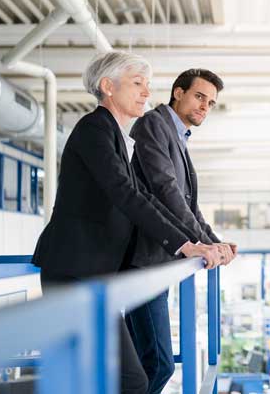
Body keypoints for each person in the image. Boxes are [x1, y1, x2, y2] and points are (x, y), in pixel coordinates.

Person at [32, 52, 223, 394]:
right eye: (137, 84)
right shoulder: (94, 128)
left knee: (116, 378)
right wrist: (184, 243)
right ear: (108, 86)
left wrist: (191, 242)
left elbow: (143, 198)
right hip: (73, 271)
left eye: (147, 85)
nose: (146, 93)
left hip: (92, 275)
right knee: (131, 379)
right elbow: (126, 194)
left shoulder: (116, 135)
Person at [127, 68, 237, 394]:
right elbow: (166, 190)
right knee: (159, 364)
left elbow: (188, 205)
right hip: (143, 261)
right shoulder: (154, 125)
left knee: (142, 364)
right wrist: (203, 243)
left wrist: (216, 243)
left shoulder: (178, 136)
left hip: (159, 259)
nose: (205, 106)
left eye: (211, 102)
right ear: (178, 92)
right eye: (199, 96)